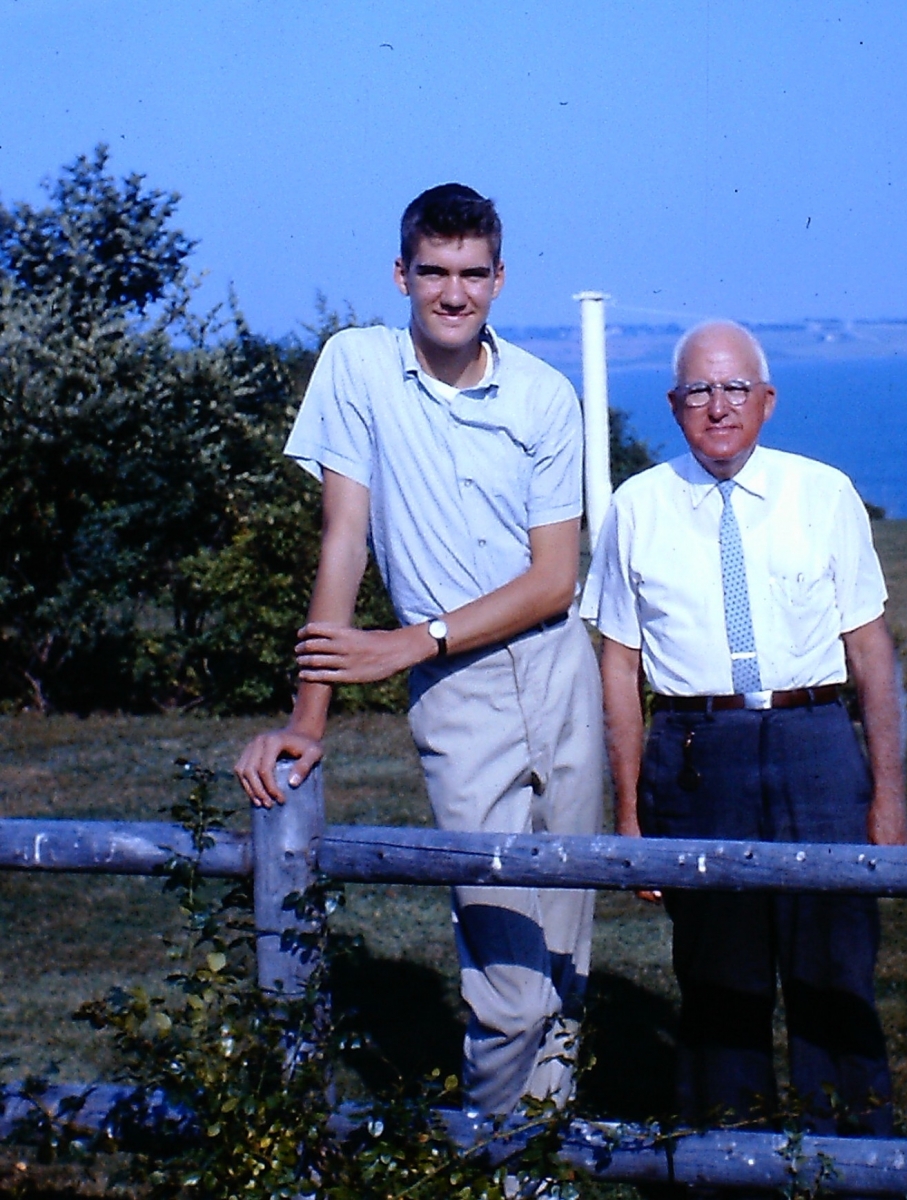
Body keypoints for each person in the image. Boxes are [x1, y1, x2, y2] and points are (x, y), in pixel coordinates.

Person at [234, 183, 604, 1116]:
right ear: (400, 275)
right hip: (458, 691)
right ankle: (489, 1158)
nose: (452, 293)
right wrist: (308, 717)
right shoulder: (354, 367)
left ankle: (536, 1167)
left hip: (561, 670)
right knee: (507, 980)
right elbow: (342, 540)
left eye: (471, 273)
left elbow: (555, 579)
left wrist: (407, 641)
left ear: (498, 279)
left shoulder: (543, 396)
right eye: (433, 272)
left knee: (566, 949)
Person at [580, 320, 907, 1133]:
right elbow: (618, 670)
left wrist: (888, 797)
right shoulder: (636, 507)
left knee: (834, 971)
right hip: (697, 758)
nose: (717, 407)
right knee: (718, 980)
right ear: (673, 404)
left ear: (766, 400)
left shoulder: (822, 493)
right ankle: (727, 1169)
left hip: (816, 747)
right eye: (698, 389)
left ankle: (853, 1167)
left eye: (733, 389)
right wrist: (629, 817)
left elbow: (869, 651)